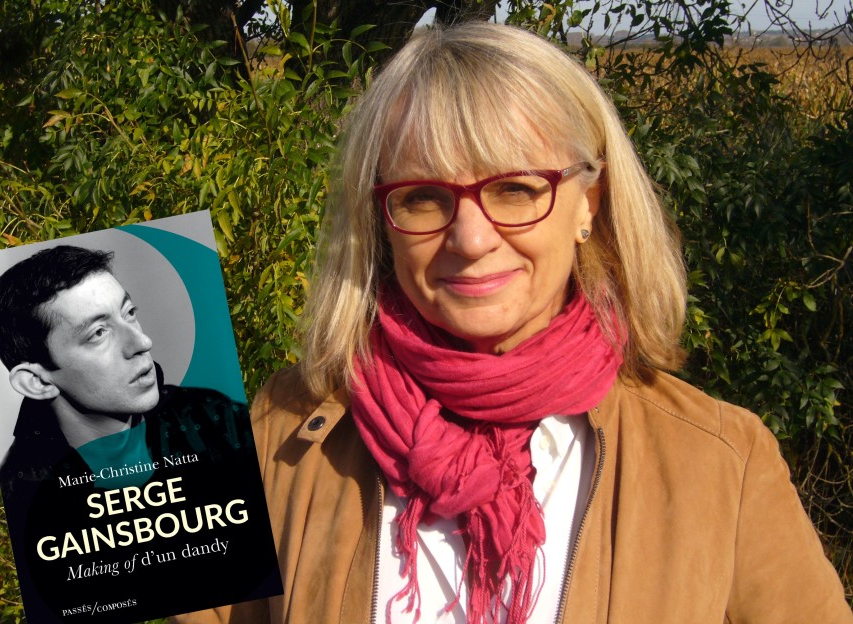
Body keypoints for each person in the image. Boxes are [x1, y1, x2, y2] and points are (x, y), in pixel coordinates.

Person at [173, 22, 852, 624]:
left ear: (588, 204)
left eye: (515, 189)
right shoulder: (284, 432)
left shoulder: (721, 462)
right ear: (380, 221)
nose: (471, 239)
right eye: (423, 197)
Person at [0, 244, 279, 621]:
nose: (142, 343)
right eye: (98, 333)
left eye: (129, 314)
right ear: (36, 382)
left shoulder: (220, 422)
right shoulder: (20, 498)